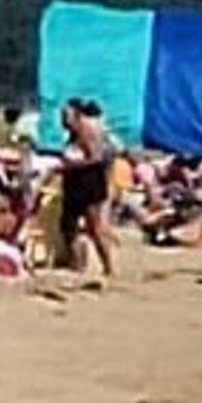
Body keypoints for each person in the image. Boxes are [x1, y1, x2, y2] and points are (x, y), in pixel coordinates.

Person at [57, 99, 117, 281]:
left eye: (66, 116)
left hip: (88, 182)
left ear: (77, 115)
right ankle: (77, 264)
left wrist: (70, 166)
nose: (63, 120)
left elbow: (96, 158)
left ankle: (108, 266)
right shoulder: (71, 134)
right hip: (74, 182)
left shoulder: (87, 131)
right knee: (68, 225)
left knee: (94, 227)